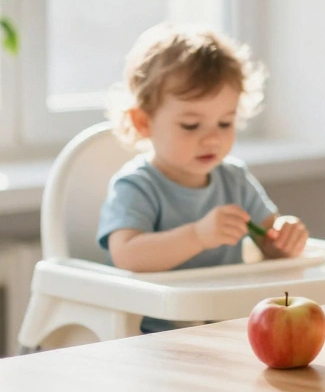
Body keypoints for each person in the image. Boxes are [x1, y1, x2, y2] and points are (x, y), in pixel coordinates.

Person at [97, 23, 309, 333]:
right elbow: (127, 254)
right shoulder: (137, 186)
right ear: (143, 122)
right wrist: (198, 235)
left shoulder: (234, 180)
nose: (212, 139)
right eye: (191, 125)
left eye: (225, 123)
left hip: (227, 326)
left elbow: (269, 242)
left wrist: (285, 239)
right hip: (150, 334)